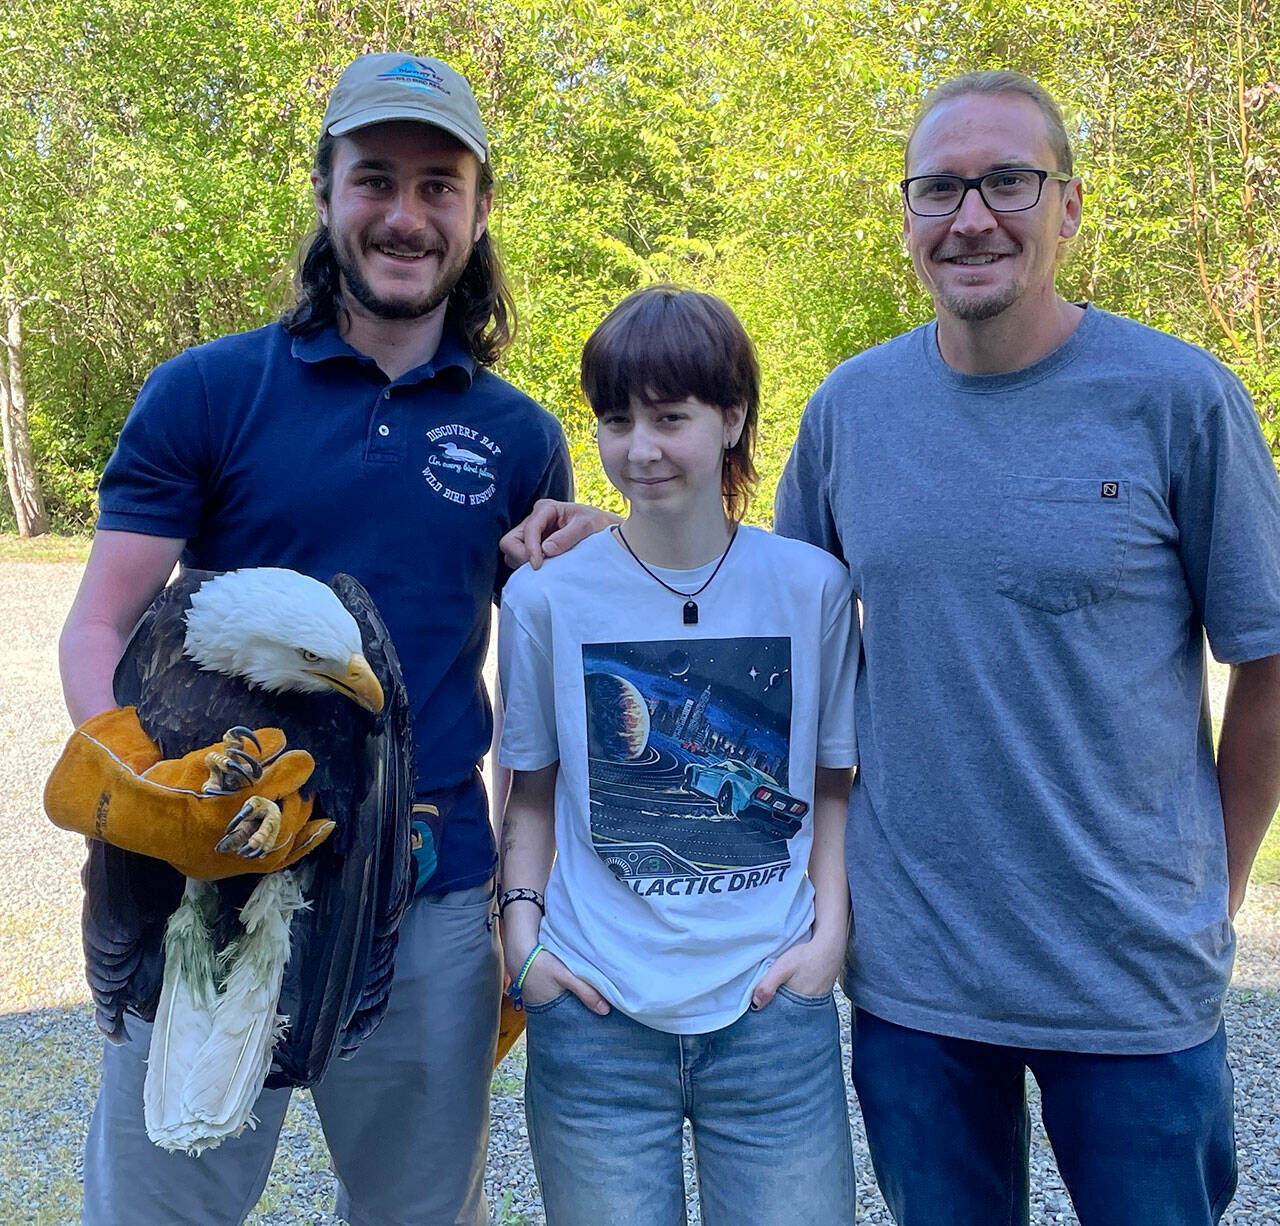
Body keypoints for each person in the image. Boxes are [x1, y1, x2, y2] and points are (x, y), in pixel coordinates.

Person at [501, 72, 1280, 1226]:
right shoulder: (852, 412)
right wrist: (612, 530)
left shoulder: (1179, 399)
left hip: (1128, 974)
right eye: (938, 188)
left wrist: (1209, 889)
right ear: (907, 217)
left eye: (1006, 181)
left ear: (1066, 205)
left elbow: (1264, 664)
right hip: (916, 982)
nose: (971, 215)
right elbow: (749, 599)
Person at [57, 52, 572, 1226]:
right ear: (327, 191)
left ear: (478, 210)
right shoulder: (207, 390)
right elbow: (101, 619)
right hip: (209, 871)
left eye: (439, 186)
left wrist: (621, 541)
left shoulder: (519, 436)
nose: (405, 214)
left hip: (429, 891)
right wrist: (135, 776)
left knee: (417, 1213)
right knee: (158, 1210)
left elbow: (552, 671)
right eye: (374, 178)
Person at [496, 285, 859, 1225]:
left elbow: (829, 784)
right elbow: (530, 793)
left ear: (732, 417)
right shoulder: (545, 599)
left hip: (772, 1015)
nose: (640, 449)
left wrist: (829, 940)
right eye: (616, 421)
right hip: (595, 1018)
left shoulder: (812, 587)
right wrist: (521, 939)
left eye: (670, 417)